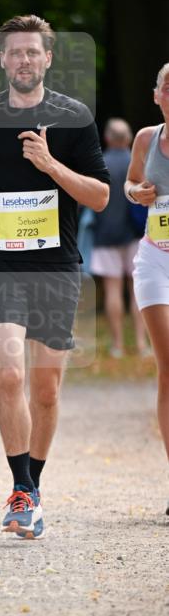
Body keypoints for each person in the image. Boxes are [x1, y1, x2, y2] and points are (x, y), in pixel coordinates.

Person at [0, 14, 110, 539]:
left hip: (57, 266)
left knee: (46, 389)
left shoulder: (73, 117)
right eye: (15, 53)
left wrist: (52, 165)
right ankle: (21, 490)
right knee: (9, 376)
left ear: (48, 59)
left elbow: (99, 195)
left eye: (34, 52)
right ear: (2, 60)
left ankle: (35, 484)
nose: (24, 60)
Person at [126, 62, 169, 514]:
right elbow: (129, 181)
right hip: (156, 257)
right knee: (168, 368)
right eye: (168, 87)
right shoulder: (145, 138)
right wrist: (135, 191)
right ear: (157, 94)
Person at [90, 118, 148, 357]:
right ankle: (142, 344)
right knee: (138, 291)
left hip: (105, 235)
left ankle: (117, 345)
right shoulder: (139, 163)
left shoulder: (98, 163)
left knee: (112, 290)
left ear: (107, 138)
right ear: (129, 139)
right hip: (136, 234)